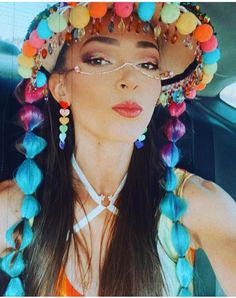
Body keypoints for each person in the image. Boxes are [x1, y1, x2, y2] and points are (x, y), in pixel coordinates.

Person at [0, 2, 235, 296]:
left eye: (148, 64)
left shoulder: (195, 204)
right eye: (99, 59)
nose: (131, 80)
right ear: (61, 88)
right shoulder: (15, 209)